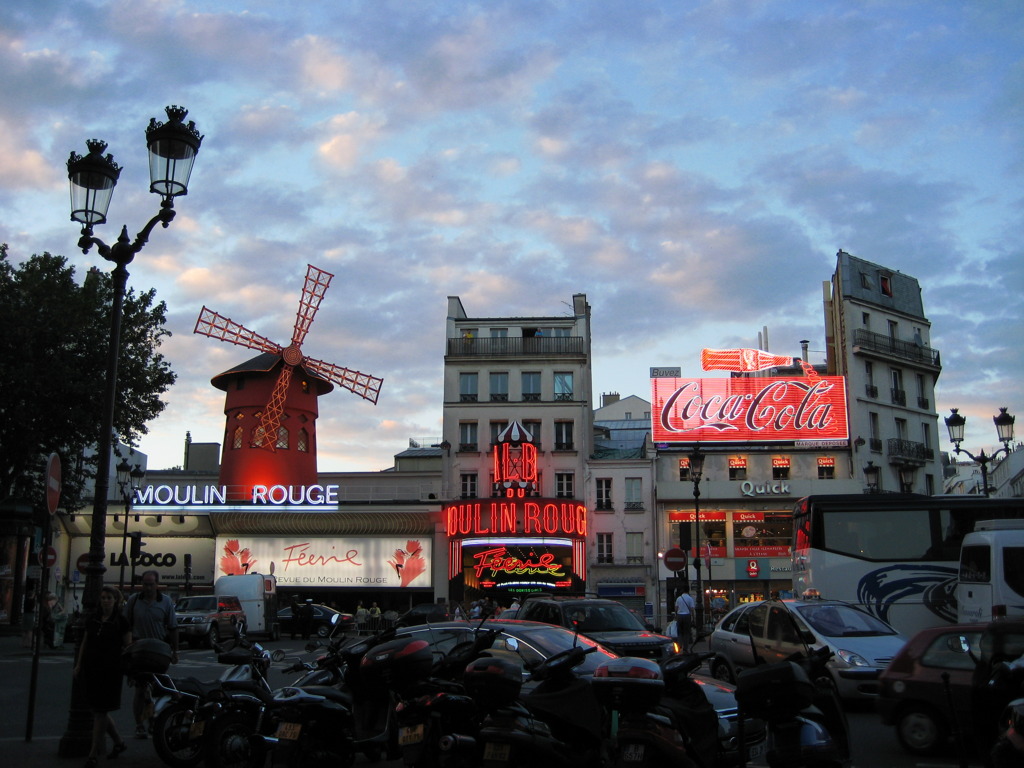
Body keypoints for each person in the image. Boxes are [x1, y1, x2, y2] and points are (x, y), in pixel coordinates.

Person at [75, 586, 132, 768]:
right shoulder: (93, 619)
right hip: (92, 668)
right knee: (98, 710)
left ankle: (93, 754)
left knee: (100, 711)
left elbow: (128, 647)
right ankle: (119, 742)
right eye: (103, 597)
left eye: (109, 598)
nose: (105, 600)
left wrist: (124, 664)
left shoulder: (121, 621)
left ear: (115, 601)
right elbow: (85, 641)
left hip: (110, 670)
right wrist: (78, 664)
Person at [124, 570, 178, 739]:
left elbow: (173, 627)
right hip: (139, 650)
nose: (147, 588)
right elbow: (125, 625)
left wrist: (175, 651)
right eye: (145, 584)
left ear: (157, 584)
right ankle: (140, 724)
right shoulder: (134, 601)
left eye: (151, 584)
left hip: (159, 650)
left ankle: (154, 718)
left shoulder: (166, 602)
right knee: (140, 690)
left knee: (158, 688)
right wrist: (127, 648)